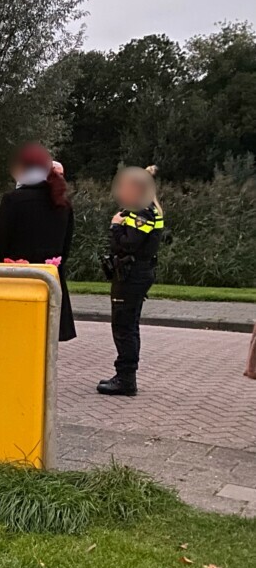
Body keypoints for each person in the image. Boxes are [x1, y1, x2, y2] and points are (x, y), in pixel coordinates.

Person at [0, 142, 76, 341]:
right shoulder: (62, 203)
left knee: (17, 343)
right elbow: (65, 250)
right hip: (51, 284)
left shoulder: (12, 201)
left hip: (17, 284)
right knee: (45, 348)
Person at [97, 166, 165, 396]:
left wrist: (115, 226)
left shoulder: (142, 211)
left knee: (124, 326)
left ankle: (125, 379)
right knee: (128, 324)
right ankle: (125, 376)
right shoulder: (146, 209)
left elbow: (128, 244)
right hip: (136, 272)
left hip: (132, 274)